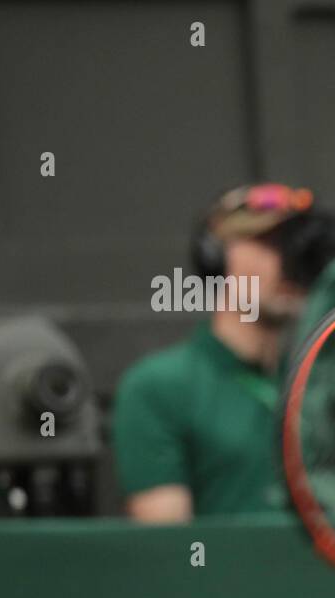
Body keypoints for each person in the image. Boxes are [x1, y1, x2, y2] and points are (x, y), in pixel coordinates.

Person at [112, 183, 313, 522]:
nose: (289, 261)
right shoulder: (159, 388)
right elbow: (169, 553)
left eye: (297, 247)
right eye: (269, 244)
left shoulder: (325, 382)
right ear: (215, 258)